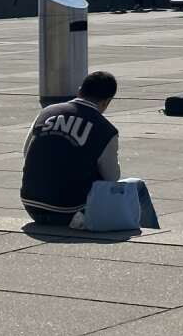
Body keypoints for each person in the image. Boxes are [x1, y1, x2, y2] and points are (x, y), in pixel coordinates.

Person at [20, 70, 158, 229]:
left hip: (32, 204)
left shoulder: (47, 112)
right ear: (107, 102)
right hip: (71, 212)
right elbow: (111, 178)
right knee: (137, 186)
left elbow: (26, 152)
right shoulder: (105, 130)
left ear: (79, 90)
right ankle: (153, 234)